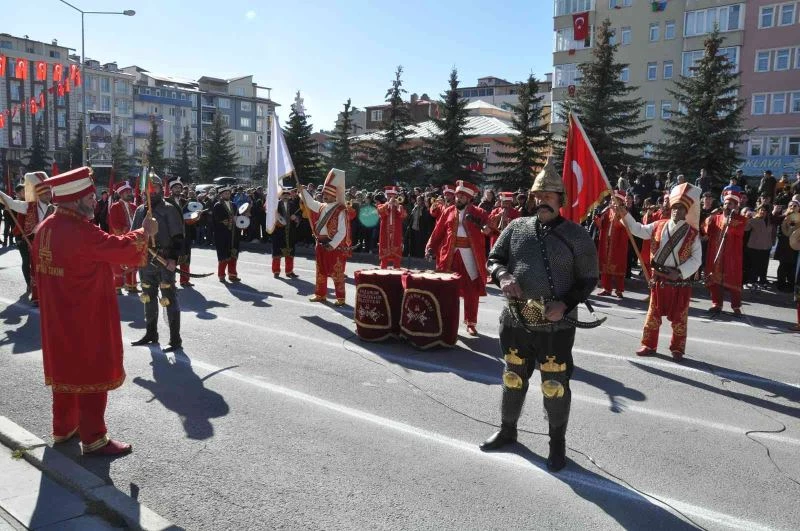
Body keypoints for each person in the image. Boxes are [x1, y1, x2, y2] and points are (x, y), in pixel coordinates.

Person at [479, 160, 599, 472]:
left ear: (561, 199)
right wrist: (503, 275)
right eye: (538, 195)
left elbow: (588, 279)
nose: (542, 200)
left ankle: (556, 445)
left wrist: (566, 303)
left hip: (555, 325)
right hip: (516, 319)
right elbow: (494, 258)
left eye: (549, 195)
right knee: (513, 377)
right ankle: (507, 431)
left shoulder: (577, 235)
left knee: (554, 385)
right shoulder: (516, 227)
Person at [33, 166, 157, 456]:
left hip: (56, 316)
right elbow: (115, 248)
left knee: (65, 370)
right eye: (89, 197)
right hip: (84, 315)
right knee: (90, 371)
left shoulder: (45, 228)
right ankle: (94, 437)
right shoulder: (79, 230)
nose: (94, 201)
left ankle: (64, 428)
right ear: (75, 200)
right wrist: (144, 232)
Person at [616, 184, 702, 361]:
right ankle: (648, 344)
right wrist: (624, 213)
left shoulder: (693, 234)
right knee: (652, 316)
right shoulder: (658, 225)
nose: (677, 211)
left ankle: (677, 348)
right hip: (659, 281)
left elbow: (696, 260)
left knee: (680, 319)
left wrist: (679, 272)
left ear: (687, 212)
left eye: (681, 208)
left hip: (680, 282)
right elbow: (638, 230)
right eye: (675, 207)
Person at [425, 180, 489, 336]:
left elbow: (489, 229)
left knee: (471, 291)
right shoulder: (448, 211)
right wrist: (430, 248)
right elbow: (438, 231)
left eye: (461, 196)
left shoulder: (479, 213)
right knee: (447, 289)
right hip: (450, 255)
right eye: (457, 196)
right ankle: (445, 320)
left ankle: (470, 322)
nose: (458, 199)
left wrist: (487, 229)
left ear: (469, 198)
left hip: (470, 256)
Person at [130, 175, 185, 351]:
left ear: (162, 189)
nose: (153, 191)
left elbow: (178, 237)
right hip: (146, 260)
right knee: (147, 296)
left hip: (164, 258)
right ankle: (151, 333)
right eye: (149, 188)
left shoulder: (169, 209)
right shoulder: (139, 210)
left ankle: (175, 339)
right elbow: (133, 236)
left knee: (168, 297)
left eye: (156, 188)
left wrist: (173, 259)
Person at [0, 172, 54, 305]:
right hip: (34, 244)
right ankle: (37, 296)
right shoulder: (28, 206)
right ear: (39, 194)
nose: (49, 196)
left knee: (51, 271)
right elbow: (12, 203)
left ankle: (50, 295)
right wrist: (1, 194)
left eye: (50, 193)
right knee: (36, 270)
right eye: (46, 194)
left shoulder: (54, 209)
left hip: (51, 245)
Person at [302, 168, 351, 306]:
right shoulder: (322, 206)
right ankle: (320, 294)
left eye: (327, 194)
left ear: (334, 196)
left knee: (337, 271)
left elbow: (342, 231)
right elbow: (311, 204)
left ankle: (340, 298)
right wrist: (303, 191)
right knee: (320, 271)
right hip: (320, 243)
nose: (324, 196)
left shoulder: (341, 210)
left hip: (333, 245)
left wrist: (332, 244)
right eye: (324, 194)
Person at [703, 190, 747, 316]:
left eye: (731, 204)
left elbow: (739, 232)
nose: (727, 206)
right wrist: (709, 219)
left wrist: (730, 223)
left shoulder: (741, 219)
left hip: (732, 256)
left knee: (733, 280)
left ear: (736, 206)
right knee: (714, 280)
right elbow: (707, 230)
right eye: (726, 203)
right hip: (716, 254)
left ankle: (736, 306)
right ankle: (716, 304)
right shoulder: (716, 217)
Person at [594, 189, 630, 298]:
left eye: (616, 200)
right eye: (613, 200)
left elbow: (624, 226)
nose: (613, 202)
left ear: (621, 201)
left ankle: (619, 290)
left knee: (618, 265)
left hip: (618, 243)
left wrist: (618, 218)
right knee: (605, 265)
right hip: (606, 241)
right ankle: (606, 288)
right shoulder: (607, 210)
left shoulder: (624, 212)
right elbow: (600, 225)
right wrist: (598, 218)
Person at [107, 181, 139, 294]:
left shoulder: (135, 207)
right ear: (121, 194)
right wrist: (125, 232)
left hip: (134, 238)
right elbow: (114, 224)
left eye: (130, 192)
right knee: (119, 263)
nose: (130, 194)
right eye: (127, 192)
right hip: (119, 239)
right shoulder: (114, 207)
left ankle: (131, 284)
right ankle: (118, 286)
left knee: (134, 261)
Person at [165, 177, 195, 287]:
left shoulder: (185, 202)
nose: (178, 189)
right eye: (176, 187)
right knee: (172, 258)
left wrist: (195, 218)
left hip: (185, 234)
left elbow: (189, 217)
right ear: (171, 189)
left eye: (179, 187)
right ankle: (170, 282)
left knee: (186, 257)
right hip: (171, 235)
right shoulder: (166, 201)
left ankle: (185, 280)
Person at [212, 186, 242, 282]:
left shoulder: (234, 205)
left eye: (228, 193)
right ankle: (221, 275)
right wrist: (230, 220)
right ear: (220, 195)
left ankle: (232, 275)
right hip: (222, 234)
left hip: (234, 234)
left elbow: (238, 217)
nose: (227, 195)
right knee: (223, 256)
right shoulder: (218, 205)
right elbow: (217, 219)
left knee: (233, 255)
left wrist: (241, 221)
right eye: (225, 193)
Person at [271, 186, 301, 278]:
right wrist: (276, 219)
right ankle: (276, 271)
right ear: (280, 196)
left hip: (290, 233)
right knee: (277, 252)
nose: (285, 196)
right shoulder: (275, 205)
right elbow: (269, 218)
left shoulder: (293, 205)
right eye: (283, 194)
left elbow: (298, 215)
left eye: (287, 195)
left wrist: (296, 218)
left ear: (289, 196)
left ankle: (289, 271)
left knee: (290, 253)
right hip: (278, 233)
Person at [377, 186, 407, 269]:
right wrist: (388, 204)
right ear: (386, 197)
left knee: (397, 250)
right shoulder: (382, 205)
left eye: (393, 196)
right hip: (385, 232)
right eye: (389, 196)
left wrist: (397, 206)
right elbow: (380, 213)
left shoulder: (399, 206)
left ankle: (397, 269)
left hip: (396, 232)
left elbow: (404, 215)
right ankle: (383, 268)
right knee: (384, 250)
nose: (391, 198)